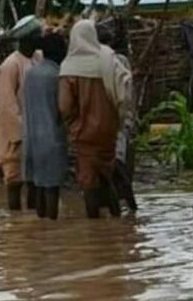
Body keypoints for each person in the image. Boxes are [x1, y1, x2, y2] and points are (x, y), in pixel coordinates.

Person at [59, 20, 126, 219]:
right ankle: (116, 220)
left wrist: (73, 125)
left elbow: (64, 106)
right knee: (106, 173)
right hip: (108, 129)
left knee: (88, 180)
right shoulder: (108, 60)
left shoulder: (69, 66)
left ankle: (94, 225)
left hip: (85, 132)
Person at [0, 15, 43, 210]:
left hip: (35, 128)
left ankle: (32, 226)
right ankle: (15, 226)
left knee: (34, 180)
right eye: (37, 35)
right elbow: (7, 104)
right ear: (27, 38)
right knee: (14, 180)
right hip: (14, 131)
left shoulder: (39, 58)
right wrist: (20, 134)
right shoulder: (10, 66)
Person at [22, 32, 68, 220]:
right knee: (51, 187)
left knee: (39, 185)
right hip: (52, 137)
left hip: (32, 137)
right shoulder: (57, 75)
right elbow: (63, 108)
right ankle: (51, 229)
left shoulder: (31, 73)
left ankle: (41, 231)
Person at [96, 25, 137, 212]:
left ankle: (125, 204)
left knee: (116, 164)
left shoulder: (112, 61)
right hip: (121, 119)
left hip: (114, 119)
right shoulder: (118, 60)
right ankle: (125, 205)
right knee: (119, 162)